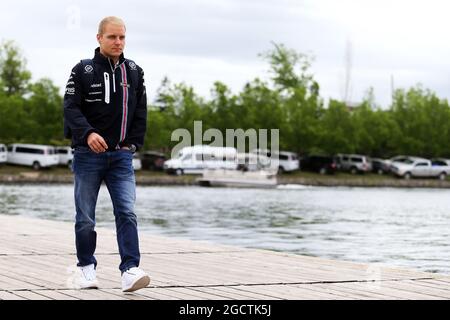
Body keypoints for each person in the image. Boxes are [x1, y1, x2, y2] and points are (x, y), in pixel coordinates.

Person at [63, 16, 150, 292]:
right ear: (99, 38)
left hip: (121, 157)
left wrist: (132, 144)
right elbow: (70, 108)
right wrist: (87, 133)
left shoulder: (134, 71)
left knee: (127, 211)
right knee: (85, 216)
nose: (118, 42)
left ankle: (130, 270)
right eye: (112, 37)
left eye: (122, 37)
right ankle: (86, 268)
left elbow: (140, 112)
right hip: (87, 155)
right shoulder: (82, 70)